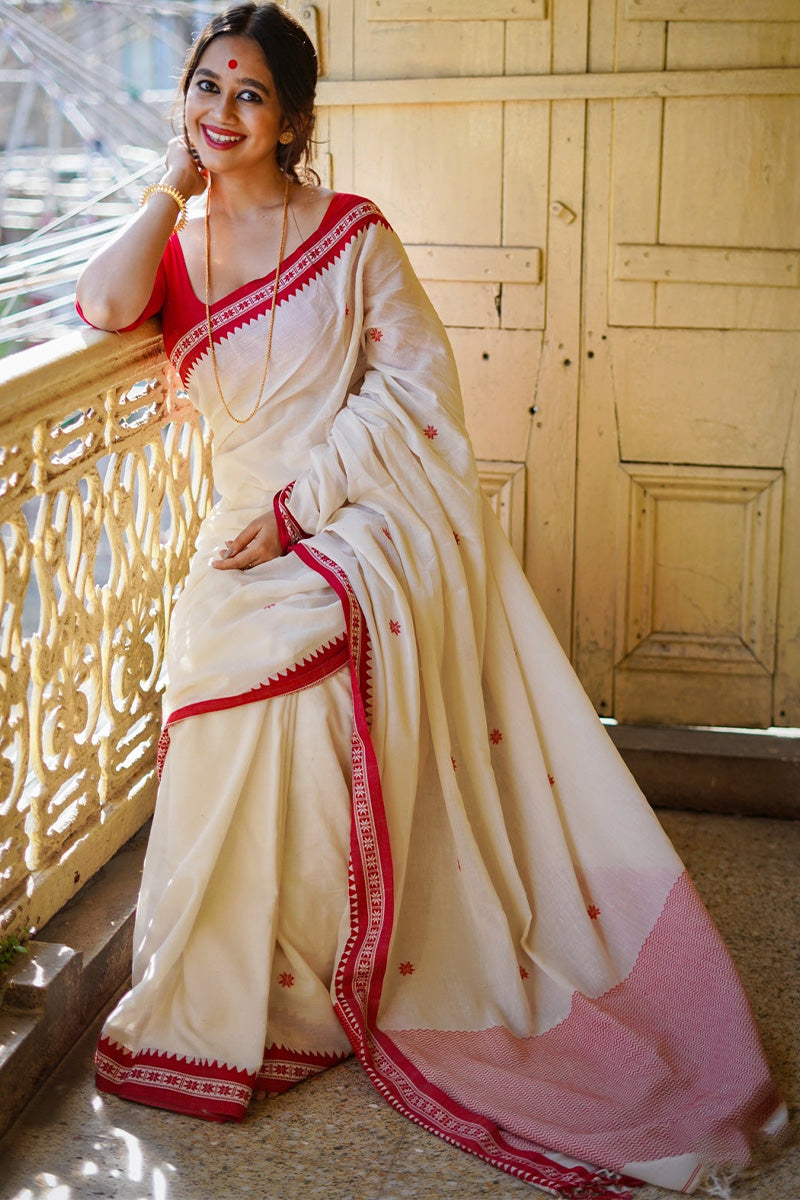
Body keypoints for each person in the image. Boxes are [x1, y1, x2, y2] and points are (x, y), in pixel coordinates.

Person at [76, 5, 788, 1197]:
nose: (221, 111)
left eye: (249, 95)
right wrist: (166, 186)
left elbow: (415, 393)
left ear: (292, 120)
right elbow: (101, 310)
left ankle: (322, 982)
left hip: (345, 520)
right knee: (226, 658)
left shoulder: (349, 235)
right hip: (235, 541)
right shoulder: (179, 246)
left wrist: (306, 514)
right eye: (206, 86)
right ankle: (253, 983)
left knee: (306, 656)